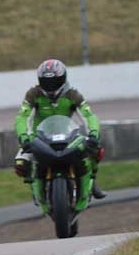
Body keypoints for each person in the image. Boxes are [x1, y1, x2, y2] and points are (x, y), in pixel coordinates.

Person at [14, 58, 106, 199]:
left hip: (68, 135)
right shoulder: (33, 94)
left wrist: (93, 133)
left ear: (63, 79)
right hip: (39, 138)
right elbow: (22, 117)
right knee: (20, 162)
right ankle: (35, 186)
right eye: (46, 82)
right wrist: (24, 137)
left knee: (95, 148)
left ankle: (92, 181)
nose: (50, 86)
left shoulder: (72, 94)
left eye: (54, 81)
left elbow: (88, 116)